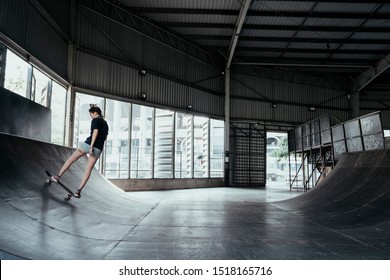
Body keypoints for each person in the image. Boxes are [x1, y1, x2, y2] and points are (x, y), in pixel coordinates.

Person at [51, 105, 109, 198]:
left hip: (89, 145)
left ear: (95, 113)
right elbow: (105, 137)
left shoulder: (95, 120)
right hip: (99, 148)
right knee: (88, 169)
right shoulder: (105, 123)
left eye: (91, 114)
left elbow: (95, 132)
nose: (91, 116)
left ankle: (58, 176)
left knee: (71, 159)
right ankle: (78, 191)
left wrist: (91, 146)